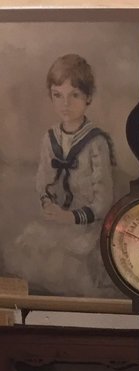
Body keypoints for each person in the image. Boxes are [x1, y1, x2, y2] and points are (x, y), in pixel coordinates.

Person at [8, 54, 118, 298]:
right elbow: (43, 180)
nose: (65, 104)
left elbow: (103, 199)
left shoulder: (96, 142)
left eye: (74, 95)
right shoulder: (49, 138)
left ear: (88, 97)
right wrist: (47, 204)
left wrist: (71, 217)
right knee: (25, 249)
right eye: (58, 95)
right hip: (57, 221)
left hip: (86, 225)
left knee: (70, 266)